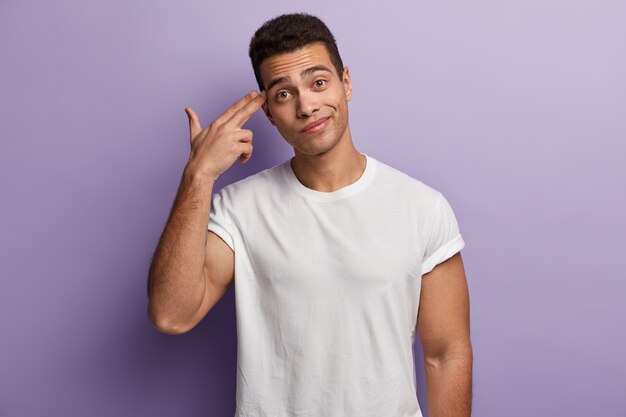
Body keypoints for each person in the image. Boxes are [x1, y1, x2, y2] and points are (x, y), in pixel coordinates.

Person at [147, 12, 472, 417]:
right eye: (284, 94)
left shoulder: (422, 207)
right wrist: (199, 176)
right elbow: (171, 314)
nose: (307, 106)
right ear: (268, 112)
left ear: (346, 82)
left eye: (319, 82)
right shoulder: (240, 209)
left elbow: (446, 355)